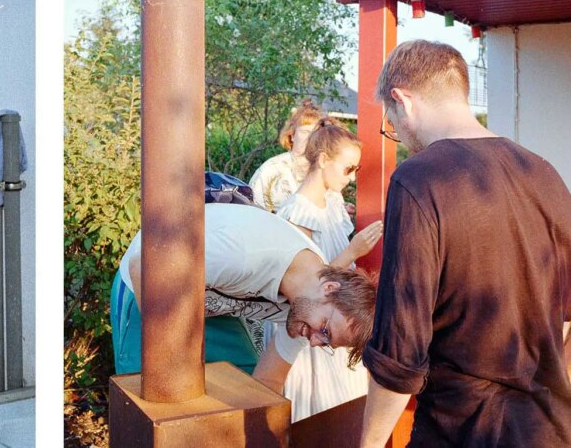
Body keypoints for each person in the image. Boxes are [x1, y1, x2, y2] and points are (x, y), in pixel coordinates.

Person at [360, 40, 571, 447]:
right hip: (549, 432)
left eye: (391, 124)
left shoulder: (419, 178)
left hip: (460, 430)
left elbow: (399, 353)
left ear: (403, 100)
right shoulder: (543, 172)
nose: (398, 136)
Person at [110, 202, 377, 394]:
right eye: (326, 331)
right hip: (149, 288)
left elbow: (267, 382)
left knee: (243, 384)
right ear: (329, 288)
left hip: (215, 301)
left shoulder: (306, 309)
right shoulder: (245, 254)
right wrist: (173, 358)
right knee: (152, 390)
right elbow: (145, 266)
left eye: (328, 342)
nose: (317, 341)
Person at [273, 117, 383, 421]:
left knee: (346, 409)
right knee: (321, 416)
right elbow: (301, 289)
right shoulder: (296, 213)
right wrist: (353, 251)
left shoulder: (333, 203)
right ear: (323, 160)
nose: (351, 178)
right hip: (313, 333)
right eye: (348, 169)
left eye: (355, 171)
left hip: (338, 326)